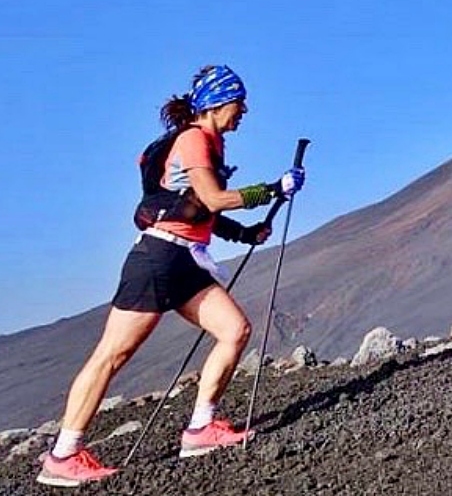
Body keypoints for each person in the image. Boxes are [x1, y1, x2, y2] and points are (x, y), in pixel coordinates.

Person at [36, 65, 306, 487]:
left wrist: (244, 234)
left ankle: (201, 429)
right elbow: (215, 198)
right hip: (158, 259)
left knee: (235, 330)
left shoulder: (210, 144)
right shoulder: (194, 139)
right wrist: (272, 190)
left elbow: (198, 210)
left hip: (183, 261)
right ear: (218, 103)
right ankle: (63, 455)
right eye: (239, 102)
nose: (244, 111)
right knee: (112, 355)